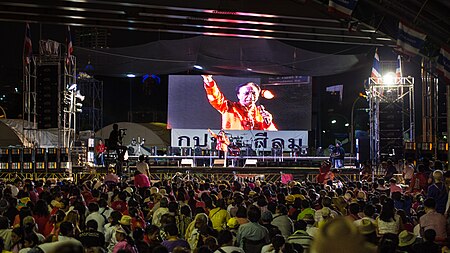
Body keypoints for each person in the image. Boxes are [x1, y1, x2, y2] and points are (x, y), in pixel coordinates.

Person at [201, 75, 277, 130]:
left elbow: (274, 136)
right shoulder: (228, 107)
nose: (250, 96)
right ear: (238, 95)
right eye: (246, 93)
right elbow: (215, 98)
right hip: (230, 149)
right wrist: (208, 80)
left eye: (253, 93)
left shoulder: (261, 113)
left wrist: (268, 124)